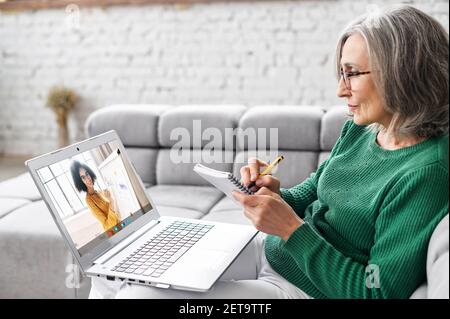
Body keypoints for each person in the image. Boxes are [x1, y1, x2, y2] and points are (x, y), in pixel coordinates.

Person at [89, 5, 448, 299]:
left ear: (403, 73)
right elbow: (311, 194)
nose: (341, 90)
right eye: (340, 73)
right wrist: (272, 193)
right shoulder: (362, 128)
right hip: (271, 252)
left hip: (301, 289)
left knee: (139, 296)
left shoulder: (425, 173)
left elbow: (377, 290)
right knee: (112, 268)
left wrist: (292, 231)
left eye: (351, 73)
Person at [71, 161, 121, 231]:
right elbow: (107, 225)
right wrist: (111, 201)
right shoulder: (89, 200)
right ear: (80, 181)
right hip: (116, 231)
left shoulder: (99, 192)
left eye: (87, 174)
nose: (88, 179)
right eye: (83, 177)